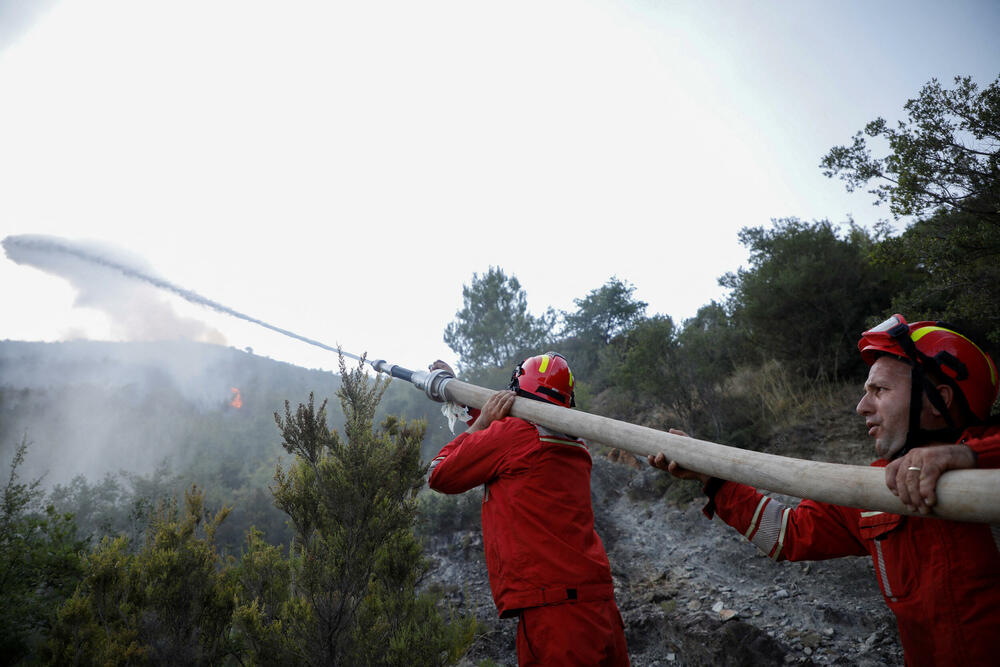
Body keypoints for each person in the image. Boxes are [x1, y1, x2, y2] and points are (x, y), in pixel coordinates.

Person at [649, 314, 1000, 666]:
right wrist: (713, 479)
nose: (862, 407)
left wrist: (966, 456)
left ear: (938, 400)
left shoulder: (989, 455)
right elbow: (786, 534)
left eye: (879, 390)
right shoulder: (874, 492)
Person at [427, 352, 630, 666]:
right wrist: (465, 399)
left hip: (556, 618)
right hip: (598, 606)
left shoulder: (513, 436)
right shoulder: (575, 441)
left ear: (516, 387)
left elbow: (439, 474)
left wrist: (480, 422)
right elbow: (505, 439)